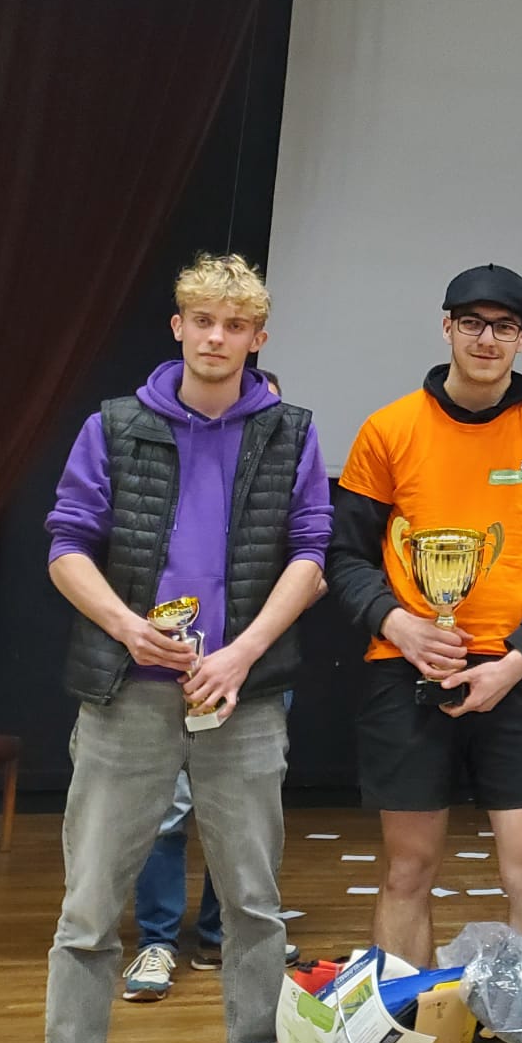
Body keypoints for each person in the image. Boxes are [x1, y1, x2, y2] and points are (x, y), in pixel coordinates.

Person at [3, 256, 331, 1043]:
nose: (218, 337)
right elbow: (66, 543)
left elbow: (310, 553)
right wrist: (127, 628)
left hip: (242, 697)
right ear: (179, 327)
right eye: (203, 320)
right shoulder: (115, 425)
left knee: (254, 904)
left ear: (258, 337)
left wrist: (242, 653)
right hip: (126, 695)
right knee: (87, 905)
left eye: (236, 324)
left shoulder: (291, 431)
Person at [329, 265, 522, 965]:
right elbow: (346, 556)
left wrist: (516, 658)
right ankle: (405, 1030)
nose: (487, 339)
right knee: (408, 870)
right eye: (473, 323)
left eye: (504, 327)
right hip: (406, 669)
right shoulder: (388, 429)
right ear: (447, 326)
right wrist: (398, 624)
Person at [128, 373, 303, 996]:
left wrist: (250, 646)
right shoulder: (171, 461)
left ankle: (217, 933)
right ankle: (155, 941)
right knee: (167, 811)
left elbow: (314, 563)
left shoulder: (290, 466)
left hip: (255, 674)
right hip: (164, 668)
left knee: (241, 820)